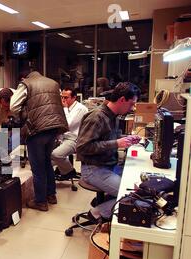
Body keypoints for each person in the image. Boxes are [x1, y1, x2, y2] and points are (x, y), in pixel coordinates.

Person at [76, 82, 141, 220]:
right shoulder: (97, 117)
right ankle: (97, 212)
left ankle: (106, 200)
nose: (132, 107)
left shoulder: (114, 116)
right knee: (132, 194)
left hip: (109, 165)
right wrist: (117, 143)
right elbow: (82, 147)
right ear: (122, 99)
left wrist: (126, 139)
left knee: (138, 185)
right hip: (93, 169)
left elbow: (109, 139)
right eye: (131, 103)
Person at [10, 71, 69, 211]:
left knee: (37, 166)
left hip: (37, 128)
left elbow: (13, 107)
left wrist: (24, 113)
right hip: (54, 127)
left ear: (24, 77)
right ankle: (51, 195)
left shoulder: (26, 84)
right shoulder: (53, 83)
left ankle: (40, 201)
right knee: (47, 161)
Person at [51, 87, 88, 179]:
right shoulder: (65, 107)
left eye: (66, 97)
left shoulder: (80, 108)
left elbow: (67, 124)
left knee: (56, 155)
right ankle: (59, 170)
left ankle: (69, 172)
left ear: (74, 97)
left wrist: (63, 109)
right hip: (62, 137)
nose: (63, 100)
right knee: (44, 157)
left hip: (74, 138)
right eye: (62, 97)